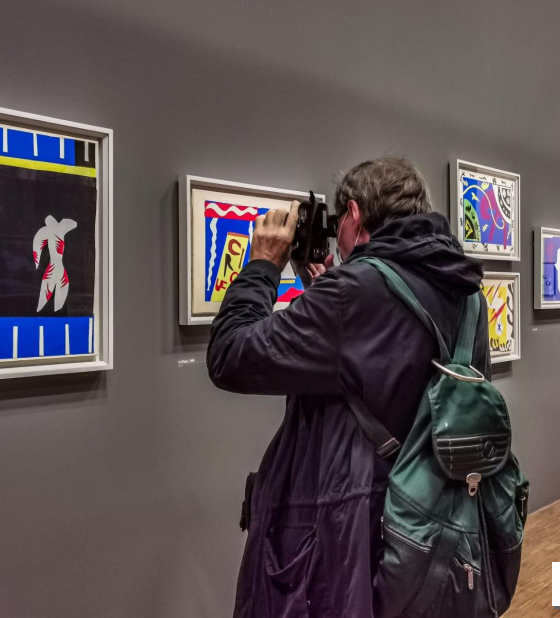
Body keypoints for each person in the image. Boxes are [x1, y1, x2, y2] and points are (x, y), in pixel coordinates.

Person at [207, 158, 490, 617]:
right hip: (436, 523)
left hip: (355, 530)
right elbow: (388, 365)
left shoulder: (355, 291)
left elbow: (230, 356)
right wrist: (328, 292)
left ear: (355, 216)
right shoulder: (466, 291)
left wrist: (261, 267)